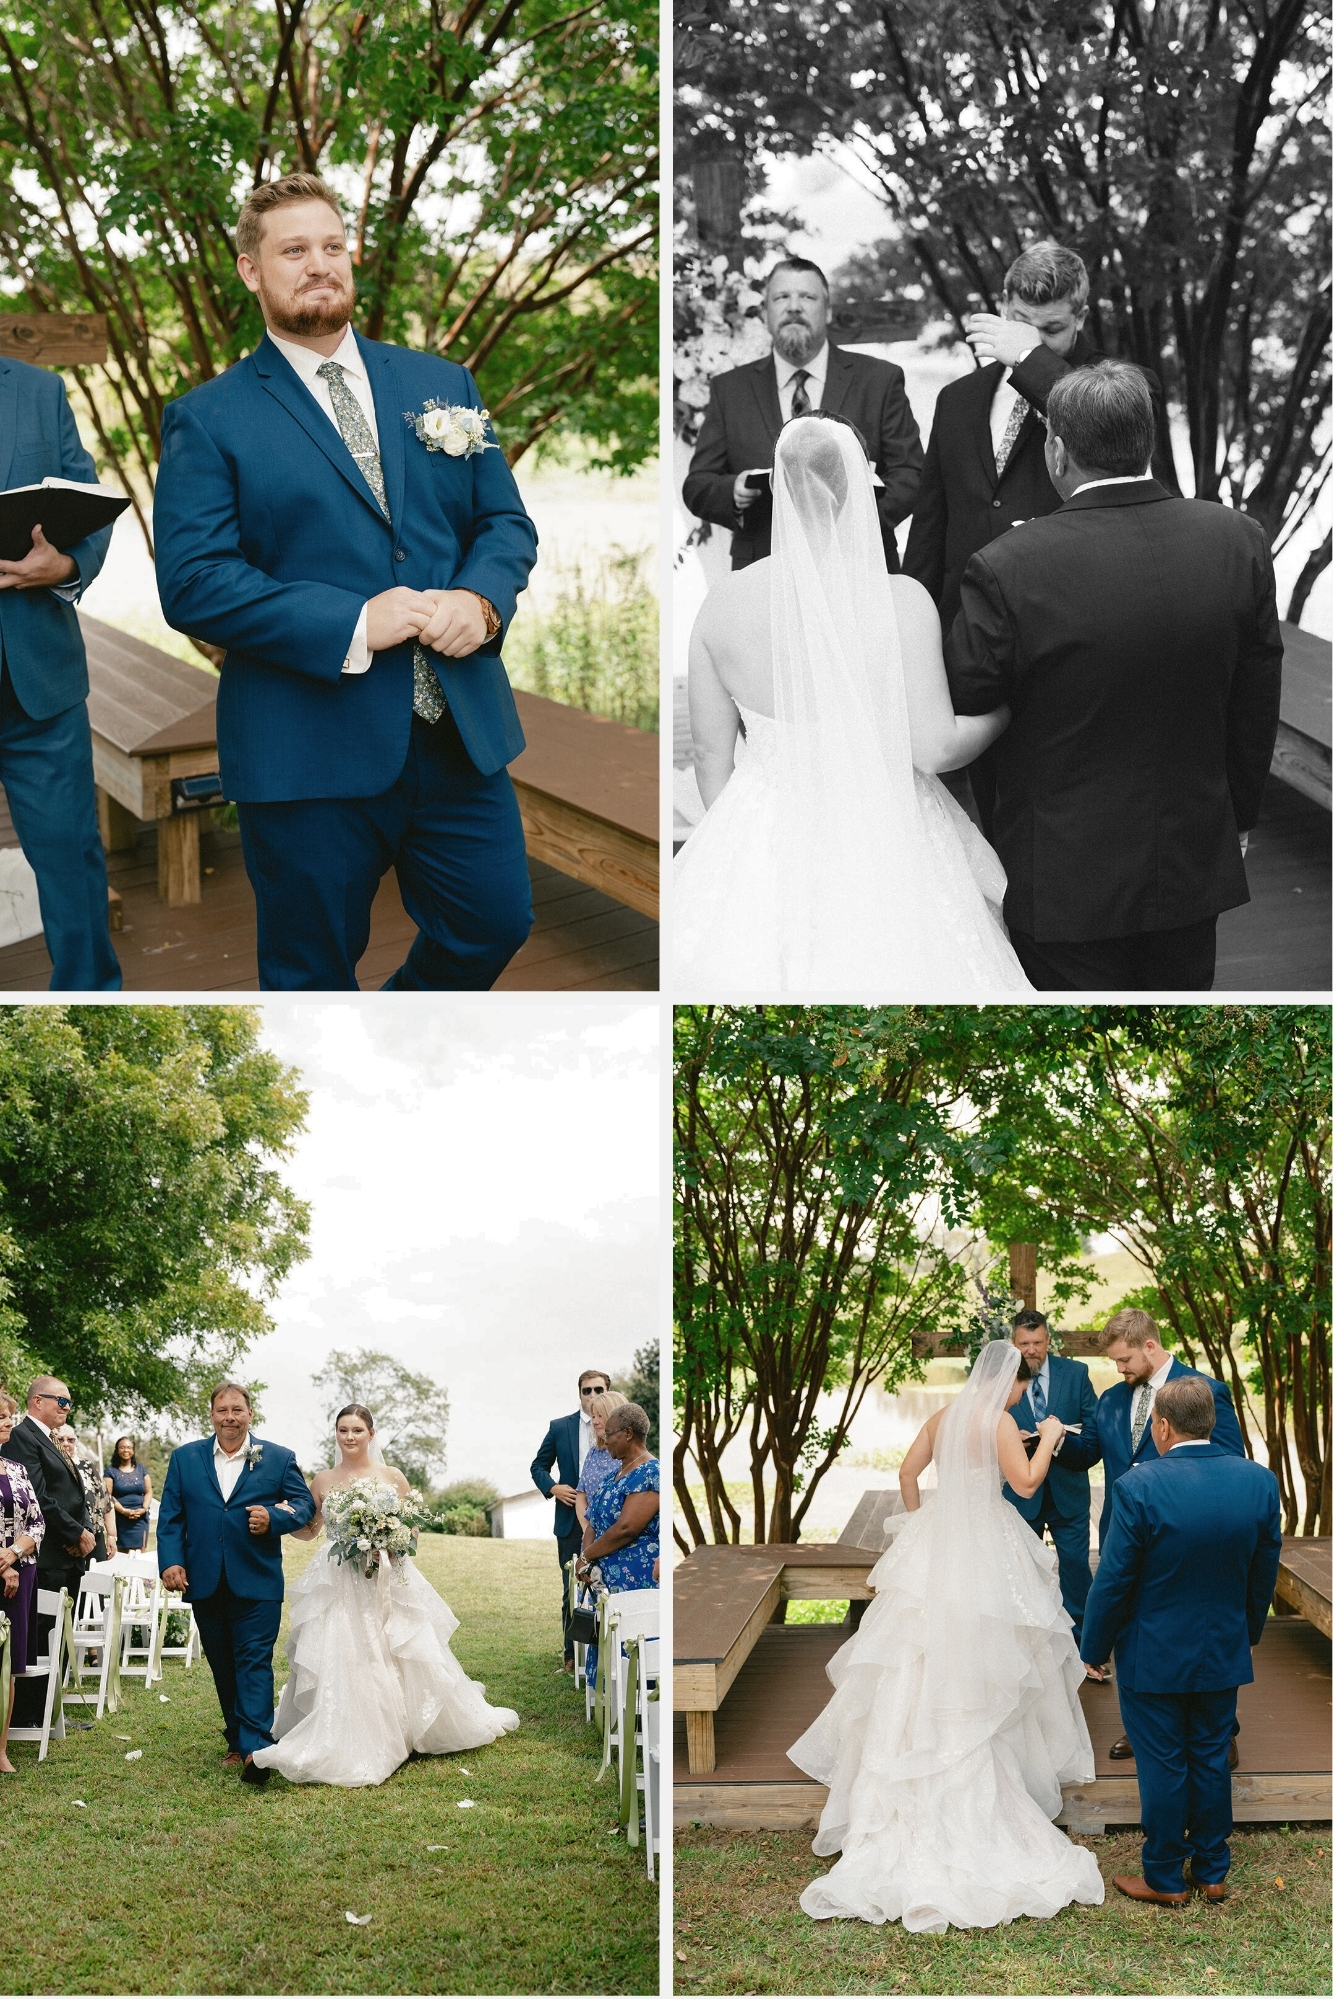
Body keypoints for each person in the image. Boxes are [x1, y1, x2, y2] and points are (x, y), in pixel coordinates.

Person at [152, 172, 539, 992]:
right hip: (306, 748)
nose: (319, 264)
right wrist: (355, 621)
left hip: (457, 734)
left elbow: (504, 524)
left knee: (494, 924)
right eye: (293, 250)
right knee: (310, 977)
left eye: (332, 246)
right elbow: (192, 582)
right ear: (252, 271)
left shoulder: (444, 386)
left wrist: (481, 599)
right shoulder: (207, 416)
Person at [945, 360, 1283, 992]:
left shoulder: (1007, 566)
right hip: (1190, 861)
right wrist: (1235, 818)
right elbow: (1256, 698)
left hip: (1063, 876)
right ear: (1146, 442)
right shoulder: (1238, 542)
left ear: (1057, 450)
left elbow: (970, 698)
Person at [675, 412, 1032, 990]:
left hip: (764, 828)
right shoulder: (902, 601)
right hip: (892, 831)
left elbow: (711, 761)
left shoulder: (722, 604)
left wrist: (748, 853)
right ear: (859, 490)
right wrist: (1004, 712)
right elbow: (937, 748)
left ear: (780, 486)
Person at [788, 1342, 1105, 1932]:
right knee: (987, 1656)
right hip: (986, 1543)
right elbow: (1029, 1485)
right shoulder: (1001, 1422)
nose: (1018, 1395)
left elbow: (908, 1473)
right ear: (1008, 1383)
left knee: (919, 1654)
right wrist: (1054, 1435)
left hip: (935, 1541)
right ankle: (980, 1781)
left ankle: (907, 1769)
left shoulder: (941, 1417)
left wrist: (917, 1520)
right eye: (1019, 1386)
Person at [903, 242, 1165, 834]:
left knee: (1063, 817)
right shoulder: (957, 399)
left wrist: (1030, 362)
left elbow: (1100, 427)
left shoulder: (1121, 388)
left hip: (1067, 638)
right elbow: (931, 527)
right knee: (983, 821)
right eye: (1021, 325)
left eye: (1053, 330)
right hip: (971, 644)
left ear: (1081, 315)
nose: (1035, 340)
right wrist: (912, 636)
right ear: (1001, 306)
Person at [1080, 1376, 1281, 1906]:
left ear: (1162, 1426)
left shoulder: (1139, 1485)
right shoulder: (1259, 1482)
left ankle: (1165, 1878)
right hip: (1222, 1647)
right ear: (1211, 1424)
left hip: (1153, 1654)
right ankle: (1213, 1871)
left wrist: (1093, 1647)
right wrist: (1247, 1631)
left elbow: (1115, 1579)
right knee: (1212, 1755)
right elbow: (1263, 1574)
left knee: (1164, 1762)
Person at [252, 1404, 518, 1787]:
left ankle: (413, 1726)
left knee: (400, 1645)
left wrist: (389, 1545)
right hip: (341, 1578)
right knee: (346, 1650)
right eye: (343, 1430)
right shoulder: (323, 1479)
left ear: (371, 1434)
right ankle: (354, 1726)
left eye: (357, 1430)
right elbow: (311, 1529)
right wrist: (282, 1517)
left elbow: (411, 1530)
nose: (349, 1437)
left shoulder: (392, 1476)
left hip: (387, 1575)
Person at [0, 352, 121, 991]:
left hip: (40, 686)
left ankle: (92, 998)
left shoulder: (42, 390)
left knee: (71, 861)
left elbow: (88, 504)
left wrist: (68, 565)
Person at [683, 257, 923, 572]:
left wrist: (854, 522)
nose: (794, 307)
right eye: (781, 297)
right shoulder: (729, 389)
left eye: (807, 297)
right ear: (765, 313)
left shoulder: (879, 380)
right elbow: (697, 484)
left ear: (828, 311)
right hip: (761, 571)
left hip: (861, 570)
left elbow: (912, 475)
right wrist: (734, 490)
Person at [1081, 1306, 1246, 1758]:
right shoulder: (1113, 1399)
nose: (1120, 1369)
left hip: (1188, 1538)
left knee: (1200, 1625)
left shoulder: (1205, 1391)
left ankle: (1221, 1732)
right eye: (1115, 1363)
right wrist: (1049, 1439)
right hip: (1124, 1532)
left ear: (1149, 1346)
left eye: (1125, 1360)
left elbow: (1230, 1464)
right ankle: (1141, 1728)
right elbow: (1090, 1452)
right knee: (1132, 1631)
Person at [155, 1383, 315, 1784]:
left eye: (237, 1410)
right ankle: (236, 1738)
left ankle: (256, 1748)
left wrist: (274, 1520)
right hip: (204, 1579)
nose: (230, 1417)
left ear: (250, 1413)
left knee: (254, 1661)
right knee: (223, 1664)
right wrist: (171, 1563)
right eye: (222, 1410)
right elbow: (171, 1518)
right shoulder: (185, 1458)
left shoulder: (277, 1458)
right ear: (211, 1415)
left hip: (257, 1579)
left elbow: (304, 1505)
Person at [1001, 1311, 1102, 1664]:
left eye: (1038, 1342)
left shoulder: (1076, 1374)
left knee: (1076, 1569)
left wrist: (1056, 1442)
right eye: (1024, 1343)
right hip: (1018, 1495)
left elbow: (1093, 1432)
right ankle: (1029, 1652)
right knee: (1023, 1572)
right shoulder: (1001, 1379)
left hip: (1067, 1491)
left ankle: (1086, 1652)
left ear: (1049, 1340)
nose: (1031, 1350)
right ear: (1013, 1343)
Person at [4, 1375, 95, 1728]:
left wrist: (84, 1532)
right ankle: (29, 1714)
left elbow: (74, 1491)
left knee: (60, 1635)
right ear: (37, 1401)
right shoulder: (22, 1438)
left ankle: (50, 1709)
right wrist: (75, 1533)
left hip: (68, 1555)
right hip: (47, 1556)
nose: (67, 1408)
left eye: (69, 1402)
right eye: (62, 1401)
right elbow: (38, 1498)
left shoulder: (51, 1439)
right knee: (41, 1635)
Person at [531, 1368, 611, 1674]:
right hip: (569, 1519)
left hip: (607, 1522)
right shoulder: (560, 1427)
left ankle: (602, 1656)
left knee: (604, 1586)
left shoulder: (616, 1426)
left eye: (598, 1390)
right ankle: (571, 1658)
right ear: (579, 1393)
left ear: (607, 1391)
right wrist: (552, 1486)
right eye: (587, 1390)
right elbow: (538, 1465)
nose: (592, 1396)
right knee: (571, 1589)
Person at [575, 1402, 659, 1686]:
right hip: (606, 1579)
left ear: (628, 1434)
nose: (604, 1439)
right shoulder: (615, 1475)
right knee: (609, 1649)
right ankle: (609, 1711)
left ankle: (639, 1717)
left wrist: (587, 1556)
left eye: (609, 1433)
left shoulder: (651, 1473)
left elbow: (627, 1528)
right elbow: (593, 1520)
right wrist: (587, 1556)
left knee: (634, 1647)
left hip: (635, 1580)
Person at [0, 1389, 45, 1773]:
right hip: (5, 1573)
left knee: (8, 1666)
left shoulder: (16, 1468)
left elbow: (37, 1521)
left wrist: (13, 1554)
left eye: (9, 1416)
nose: (7, 1423)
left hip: (21, 1575)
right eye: (0, 1416)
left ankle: (1, 1750)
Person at [54, 1426, 116, 1562]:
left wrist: (112, 1535)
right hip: (67, 1543)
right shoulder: (50, 1469)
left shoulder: (87, 1466)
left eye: (70, 1440)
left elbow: (107, 1502)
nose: (66, 1443)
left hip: (95, 1539)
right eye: (60, 1439)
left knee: (97, 1582)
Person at [574, 1389, 628, 1542]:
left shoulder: (629, 1456)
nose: (595, 1421)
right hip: (592, 1538)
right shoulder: (593, 1453)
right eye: (593, 1416)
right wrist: (587, 1532)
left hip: (621, 1540)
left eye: (600, 1415)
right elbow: (581, 1495)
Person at [104, 1436, 151, 1553]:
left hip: (140, 1519)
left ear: (133, 1451)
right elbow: (107, 1495)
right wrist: (124, 1511)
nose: (126, 1450)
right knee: (121, 1557)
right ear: (117, 1450)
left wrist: (144, 1509)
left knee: (140, 1556)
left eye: (129, 1447)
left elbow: (148, 1491)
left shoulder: (141, 1469)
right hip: (119, 1519)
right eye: (122, 1447)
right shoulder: (110, 1471)